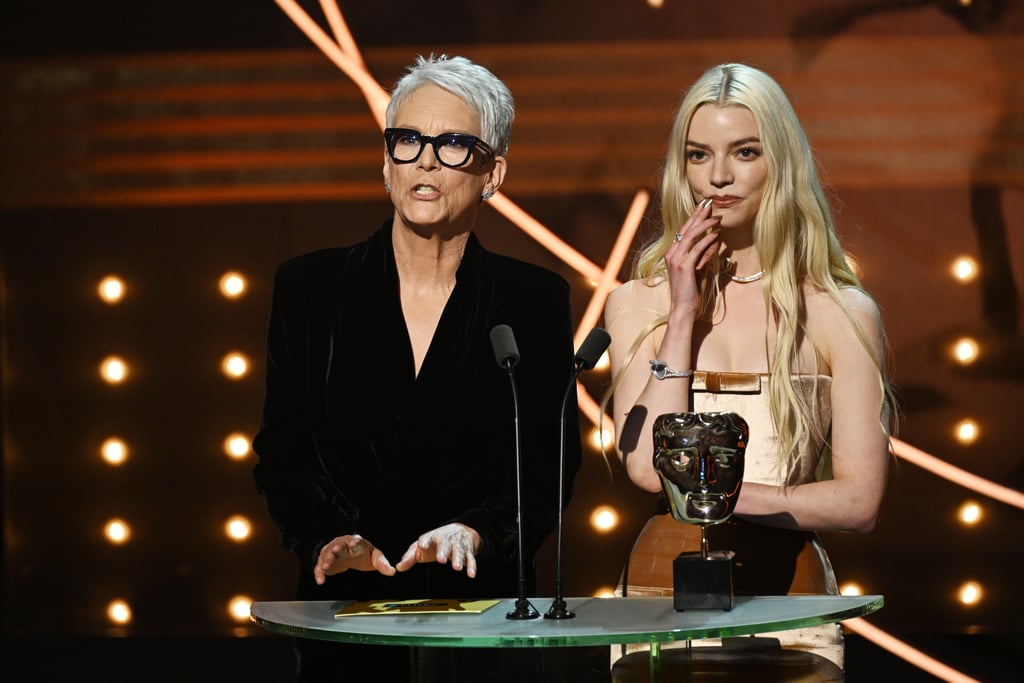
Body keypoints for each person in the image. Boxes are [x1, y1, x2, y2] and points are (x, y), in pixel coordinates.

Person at [252, 54, 584, 682]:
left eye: (454, 143)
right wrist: (326, 536)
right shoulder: (310, 288)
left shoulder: (533, 299)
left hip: (485, 628)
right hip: (347, 619)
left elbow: (548, 465)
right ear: (386, 162)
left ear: (494, 173)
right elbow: (283, 451)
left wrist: (476, 532)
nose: (426, 161)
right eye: (408, 140)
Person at [601, 63, 899, 678]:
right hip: (662, 593)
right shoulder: (640, 301)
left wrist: (714, 495)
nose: (718, 175)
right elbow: (645, 469)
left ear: (781, 162)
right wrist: (683, 314)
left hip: (789, 597)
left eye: (744, 152)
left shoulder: (840, 312)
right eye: (698, 154)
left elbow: (859, 501)